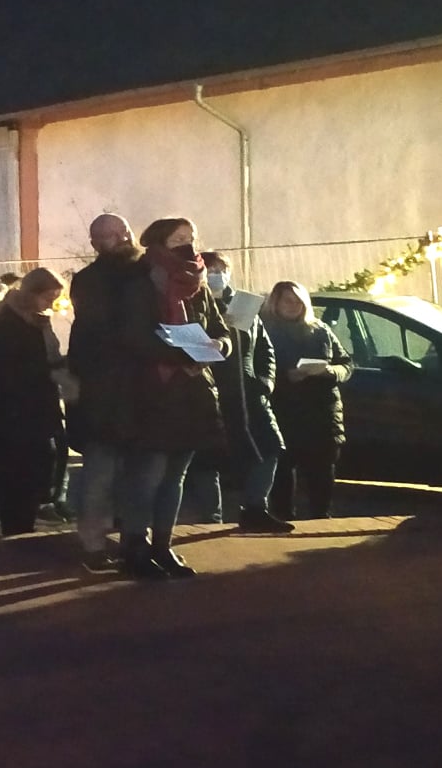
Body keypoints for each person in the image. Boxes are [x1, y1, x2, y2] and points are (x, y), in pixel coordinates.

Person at [107, 217, 230, 579]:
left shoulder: (198, 282)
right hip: (153, 392)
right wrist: (181, 357)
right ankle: (134, 546)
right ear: (160, 241)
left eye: (191, 238)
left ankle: (163, 544)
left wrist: (220, 345)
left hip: (192, 393)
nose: (188, 245)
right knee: (148, 475)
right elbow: (135, 336)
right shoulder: (140, 281)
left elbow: (218, 327)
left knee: (176, 475)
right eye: (179, 239)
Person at [182, 252, 292, 533]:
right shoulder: (193, 302)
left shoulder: (245, 304)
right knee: (208, 458)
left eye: (223, 269)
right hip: (209, 393)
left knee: (270, 446)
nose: (218, 274)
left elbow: (265, 349)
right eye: (212, 269)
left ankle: (256, 507)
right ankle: (210, 520)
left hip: (249, 394)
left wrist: (265, 381)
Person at [67, 213, 145, 574]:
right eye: (112, 235)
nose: (124, 238)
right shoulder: (93, 281)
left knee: (137, 474)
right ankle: (94, 544)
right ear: (96, 243)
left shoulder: (146, 271)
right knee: (100, 472)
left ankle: (132, 539)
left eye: (124, 231)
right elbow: (96, 333)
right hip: (106, 390)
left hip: (136, 387)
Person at [0, 268, 68, 535]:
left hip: (33, 413)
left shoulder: (34, 320)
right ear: (33, 293)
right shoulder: (10, 323)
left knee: (31, 478)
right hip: (14, 416)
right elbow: (9, 371)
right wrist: (50, 374)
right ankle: (16, 535)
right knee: (17, 480)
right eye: (48, 298)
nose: (50, 305)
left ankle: (23, 527)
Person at [261, 281, 352, 521]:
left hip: (322, 412)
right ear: (276, 303)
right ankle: (282, 516)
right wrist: (285, 376)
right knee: (282, 467)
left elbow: (346, 364)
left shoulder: (320, 329)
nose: (293, 306)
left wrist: (328, 371)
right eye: (287, 301)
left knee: (322, 469)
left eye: (298, 301)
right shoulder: (265, 330)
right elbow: (255, 369)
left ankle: (320, 517)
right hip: (283, 408)